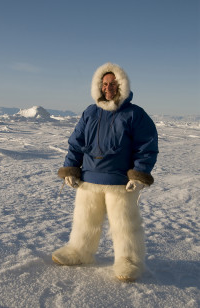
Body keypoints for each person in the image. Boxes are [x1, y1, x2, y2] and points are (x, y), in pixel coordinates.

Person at [52, 62, 158, 282]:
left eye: (112, 83)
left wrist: (139, 174)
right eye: (104, 83)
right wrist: (71, 168)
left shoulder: (134, 114)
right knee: (84, 220)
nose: (108, 87)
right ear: (99, 86)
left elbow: (146, 146)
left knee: (125, 225)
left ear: (121, 85)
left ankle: (129, 260)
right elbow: (76, 143)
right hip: (89, 179)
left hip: (120, 182)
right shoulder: (90, 112)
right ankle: (79, 251)